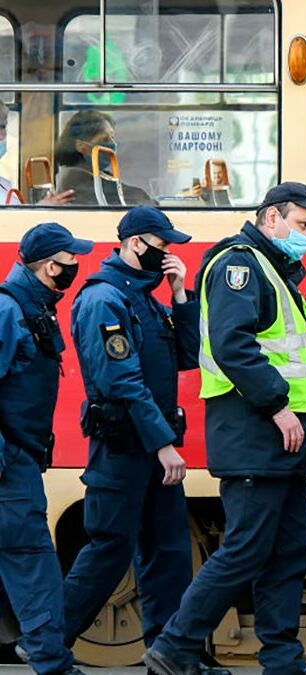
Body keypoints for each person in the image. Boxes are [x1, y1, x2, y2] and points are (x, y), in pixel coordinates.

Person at [145, 182, 306, 675]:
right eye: (301, 224)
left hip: (285, 441)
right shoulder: (240, 265)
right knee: (245, 549)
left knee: (288, 553)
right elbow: (232, 346)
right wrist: (277, 407)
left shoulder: (276, 272)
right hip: (257, 432)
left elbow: (303, 343)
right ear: (270, 217)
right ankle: (175, 647)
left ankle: (282, 659)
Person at [61, 207, 210, 662]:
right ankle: (47, 643)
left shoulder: (146, 298)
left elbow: (188, 355)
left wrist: (181, 292)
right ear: (136, 243)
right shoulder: (104, 300)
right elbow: (122, 382)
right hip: (124, 446)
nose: (168, 255)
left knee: (168, 553)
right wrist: (163, 443)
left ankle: (171, 655)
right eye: (163, 246)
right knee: (110, 550)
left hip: (150, 444)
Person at [0, 223, 92, 675]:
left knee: (25, 558)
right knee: (31, 559)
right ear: (52, 266)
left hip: (17, 457)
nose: (77, 266)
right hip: (8, 464)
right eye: (71, 260)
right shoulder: (9, 311)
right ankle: (52, 661)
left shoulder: (30, 307)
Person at [54, 110, 155, 206]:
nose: (113, 144)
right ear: (81, 146)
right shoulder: (76, 178)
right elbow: (121, 196)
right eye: (105, 139)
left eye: (112, 138)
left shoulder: (95, 173)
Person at [0, 102, 74, 206]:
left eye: (3, 127)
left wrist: (43, 206)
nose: (2, 136)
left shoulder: (4, 184)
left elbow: (15, 219)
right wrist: (42, 207)